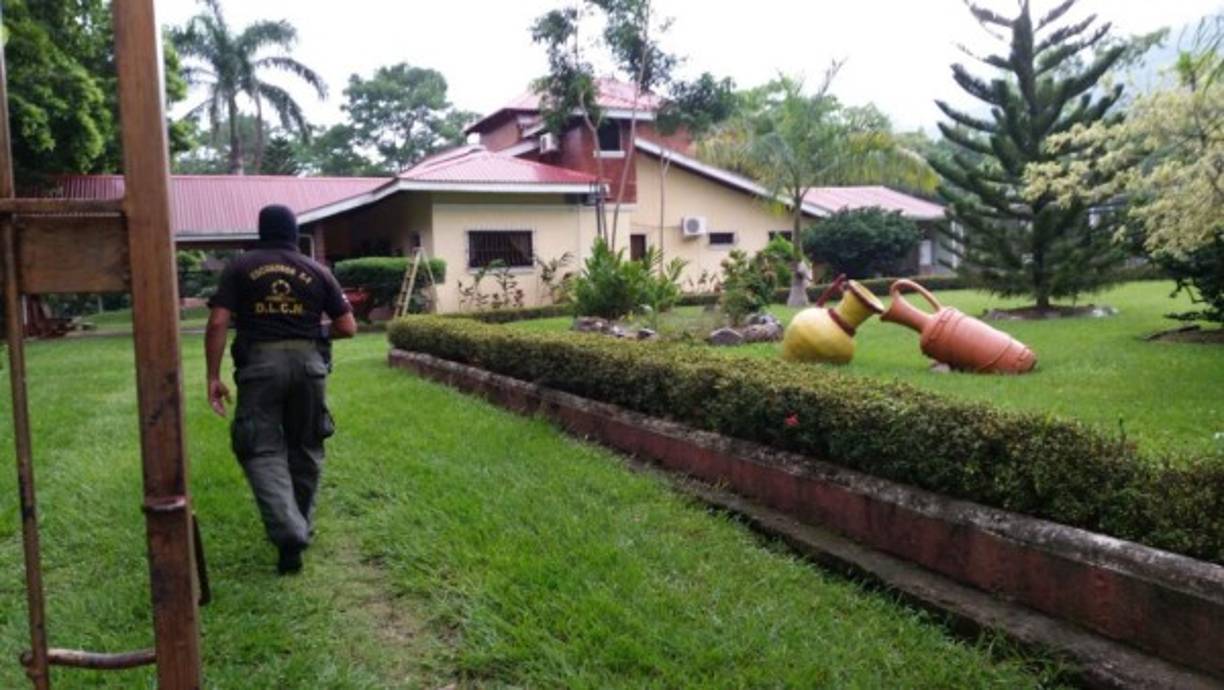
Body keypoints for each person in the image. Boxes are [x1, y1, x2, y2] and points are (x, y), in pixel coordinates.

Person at [205, 205, 357, 574]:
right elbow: (347, 326)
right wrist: (313, 332)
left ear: (261, 231)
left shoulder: (240, 267)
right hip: (310, 367)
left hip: (259, 366)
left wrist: (212, 375)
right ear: (294, 232)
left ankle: (289, 531)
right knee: (306, 446)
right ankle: (298, 527)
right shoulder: (318, 270)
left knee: (260, 448)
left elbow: (218, 321)